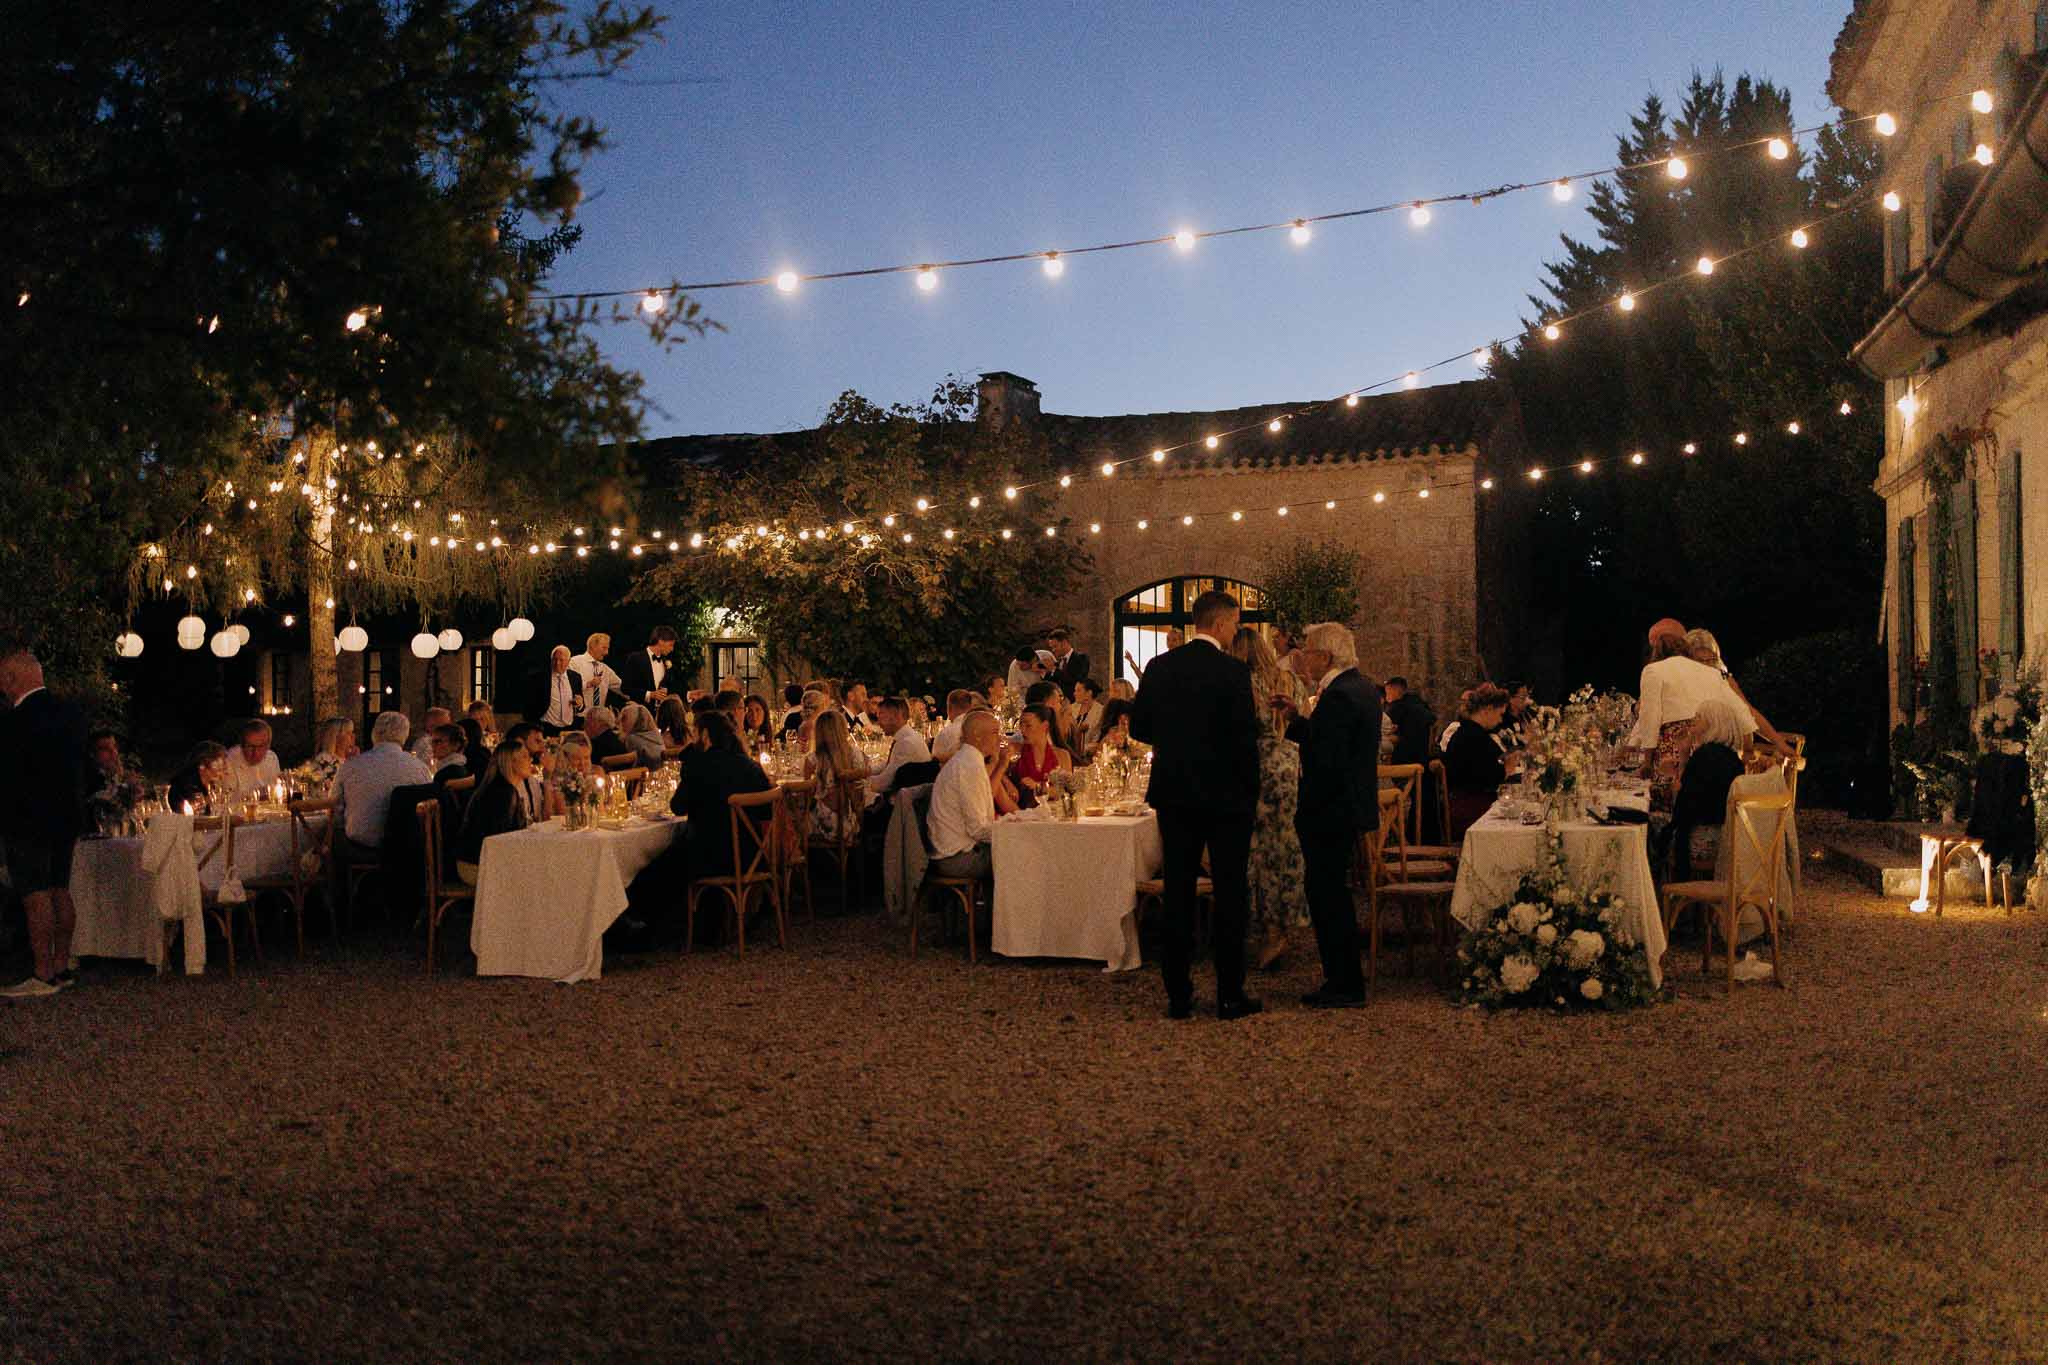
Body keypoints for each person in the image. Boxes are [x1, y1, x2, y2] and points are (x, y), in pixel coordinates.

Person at [1129, 590, 1262, 1021]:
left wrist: (1178, 740)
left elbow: (1142, 727)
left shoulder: (1160, 667)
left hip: (1176, 792)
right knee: (1229, 893)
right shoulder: (1233, 672)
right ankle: (1229, 994)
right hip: (1226, 797)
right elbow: (1246, 740)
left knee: (1179, 891)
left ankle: (1179, 995)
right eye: (1236, 622)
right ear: (1222, 624)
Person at [1272, 621, 1377, 1008]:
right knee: (1333, 893)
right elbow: (1331, 741)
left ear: (1325, 656)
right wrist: (1300, 721)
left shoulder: (1340, 696)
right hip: (1345, 807)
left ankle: (1343, 982)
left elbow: (1328, 757)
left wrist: (1302, 730)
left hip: (1330, 809)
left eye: (1308, 651)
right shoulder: (1359, 688)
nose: (1302, 658)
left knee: (1328, 895)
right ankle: (1342, 977)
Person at [0, 648, 89, 997]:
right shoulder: (71, 714)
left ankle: (41, 973)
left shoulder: (15, 722)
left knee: (34, 893)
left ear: (12, 678)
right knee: (59, 888)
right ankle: (62, 965)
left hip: (27, 817)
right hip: (66, 815)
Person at [1230, 626, 1308, 971]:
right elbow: (1303, 715)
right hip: (1288, 763)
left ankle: (1268, 930)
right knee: (1285, 848)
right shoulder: (1287, 679)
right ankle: (1283, 925)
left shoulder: (1240, 683)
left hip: (1255, 765)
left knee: (1257, 852)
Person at [1627, 618, 1755, 812]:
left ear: (1657, 652)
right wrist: (1747, 749)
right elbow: (1742, 712)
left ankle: (1661, 836)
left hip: (1674, 747)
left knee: (1652, 802)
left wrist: (1646, 762)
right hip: (1709, 751)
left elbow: (1650, 718)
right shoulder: (1711, 672)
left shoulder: (1653, 670)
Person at [670, 712, 776, 883]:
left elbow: (677, 807)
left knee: (659, 866)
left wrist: (691, 756)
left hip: (709, 860)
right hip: (752, 856)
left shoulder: (699, 766)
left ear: (704, 735)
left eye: (694, 733)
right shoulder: (750, 766)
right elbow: (766, 811)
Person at [927, 710, 1009, 881]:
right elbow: (977, 829)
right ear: (977, 736)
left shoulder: (967, 760)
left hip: (958, 850)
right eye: (995, 732)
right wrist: (1013, 833)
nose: (1000, 739)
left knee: (1019, 850)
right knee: (1022, 858)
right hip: (957, 858)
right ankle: (1012, 908)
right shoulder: (969, 766)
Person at [1683, 629, 1791, 756]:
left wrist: (1779, 743)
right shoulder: (1682, 682)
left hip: (1724, 747)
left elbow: (1748, 711)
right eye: (1701, 661)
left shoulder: (1723, 678)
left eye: (1711, 660)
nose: (1706, 665)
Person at [337, 710, 432, 854]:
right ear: (405, 736)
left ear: (374, 733)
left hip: (361, 845)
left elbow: (334, 808)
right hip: (407, 848)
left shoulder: (351, 766)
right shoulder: (419, 768)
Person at [1444, 684, 1517, 840]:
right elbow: (1486, 778)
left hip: (1470, 802)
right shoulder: (1472, 736)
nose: (1500, 720)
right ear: (1488, 709)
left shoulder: (1472, 732)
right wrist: (1506, 769)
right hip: (1469, 810)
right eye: (1500, 714)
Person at [455, 743, 533, 884]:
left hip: (478, 860)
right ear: (511, 762)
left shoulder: (503, 788)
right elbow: (499, 839)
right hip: (476, 866)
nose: (530, 760)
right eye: (525, 756)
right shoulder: (503, 793)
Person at [806, 709, 871, 841]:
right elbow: (860, 792)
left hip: (818, 827)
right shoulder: (854, 754)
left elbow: (807, 796)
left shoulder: (812, 759)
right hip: (849, 823)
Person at [866, 696, 932, 804]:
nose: (878, 722)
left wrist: (858, 783)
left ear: (896, 716)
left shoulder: (906, 743)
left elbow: (884, 783)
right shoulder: (909, 736)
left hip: (902, 808)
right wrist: (866, 771)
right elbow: (890, 764)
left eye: (881, 715)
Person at [1011, 704, 1071, 804]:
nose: (1022, 730)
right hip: (1022, 812)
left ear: (1045, 726)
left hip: (1052, 812)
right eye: (1021, 725)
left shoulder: (1062, 755)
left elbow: (1066, 790)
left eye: (1028, 725)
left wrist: (1038, 787)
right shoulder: (1015, 751)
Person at [615, 625, 678, 709]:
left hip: (661, 715)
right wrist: (649, 694)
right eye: (670, 645)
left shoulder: (666, 662)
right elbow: (625, 687)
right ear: (660, 641)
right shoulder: (635, 658)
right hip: (640, 712)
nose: (672, 649)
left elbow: (671, 687)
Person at [530, 646, 586, 737]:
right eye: (554, 660)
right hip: (546, 727)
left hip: (569, 728)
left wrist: (580, 704)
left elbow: (581, 705)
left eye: (561, 660)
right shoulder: (539, 677)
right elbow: (531, 703)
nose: (557, 663)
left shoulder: (575, 677)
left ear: (568, 662)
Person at [1382, 677, 1436, 768]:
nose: (1386, 696)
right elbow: (1434, 724)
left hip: (1404, 761)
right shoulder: (1418, 701)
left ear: (1394, 690)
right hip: (1423, 759)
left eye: (1387, 691)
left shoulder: (1396, 707)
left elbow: (1384, 730)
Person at [223, 718, 282, 801]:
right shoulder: (229, 760)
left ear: (268, 745)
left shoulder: (272, 758)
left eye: (261, 746)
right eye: (250, 746)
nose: (255, 752)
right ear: (242, 744)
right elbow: (227, 800)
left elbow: (276, 791)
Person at [168, 741, 230, 813]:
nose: (225, 773)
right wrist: (205, 801)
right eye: (219, 769)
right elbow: (187, 816)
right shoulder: (182, 787)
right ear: (202, 766)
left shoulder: (209, 785)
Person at [570, 632, 624, 712]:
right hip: (579, 716)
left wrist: (639, 697)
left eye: (607, 649)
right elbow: (568, 687)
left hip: (599, 719)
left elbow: (622, 687)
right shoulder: (574, 662)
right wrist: (589, 684)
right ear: (593, 646)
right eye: (604, 648)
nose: (606, 653)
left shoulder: (605, 669)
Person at [618, 702, 667, 767]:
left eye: (624, 718)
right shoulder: (656, 735)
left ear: (634, 720)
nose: (620, 722)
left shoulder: (632, 738)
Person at [932, 689, 975, 760]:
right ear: (971, 707)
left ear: (950, 708)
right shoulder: (981, 729)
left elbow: (935, 763)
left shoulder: (945, 734)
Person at [1046, 628, 1091, 696]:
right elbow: (1053, 685)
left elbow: (1076, 681)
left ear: (1064, 643)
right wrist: (1043, 671)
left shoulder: (1081, 658)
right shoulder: (1057, 663)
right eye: (1051, 648)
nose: (1053, 650)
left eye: (1055, 646)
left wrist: (1054, 669)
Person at [1069, 678, 1105, 756]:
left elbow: (1096, 741)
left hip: (1089, 754)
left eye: (1078, 690)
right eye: (1075, 690)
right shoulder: (1071, 708)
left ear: (1089, 693)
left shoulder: (1100, 711)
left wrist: (1081, 749)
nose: (1074, 693)